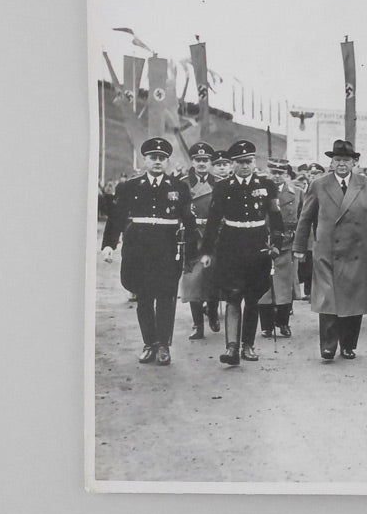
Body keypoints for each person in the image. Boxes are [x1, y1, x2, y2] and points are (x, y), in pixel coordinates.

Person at [101, 137, 198, 365]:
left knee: (165, 298)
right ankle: (149, 343)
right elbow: (116, 218)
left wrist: (192, 252)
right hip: (138, 251)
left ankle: (164, 345)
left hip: (167, 252)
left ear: (167, 162)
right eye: (153, 158)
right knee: (144, 298)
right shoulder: (129, 187)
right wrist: (109, 245)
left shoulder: (179, 187)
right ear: (145, 160)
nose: (158, 162)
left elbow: (189, 221)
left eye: (162, 158)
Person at [292, 139, 367, 361]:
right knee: (328, 299)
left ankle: (348, 345)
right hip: (327, 251)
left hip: (358, 251)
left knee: (354, 300)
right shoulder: (319, 184)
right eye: (337, 159)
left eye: (346, 160)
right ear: (331, 162)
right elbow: (305, 218)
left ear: (354, 162)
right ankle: (328, 345)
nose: (341, 163)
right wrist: (299, 246)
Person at [200, 140, 284, 366]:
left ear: (254, 162)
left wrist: (276, 243)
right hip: (230, 246)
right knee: (232, 296)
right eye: (240, 162)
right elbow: (213, 221)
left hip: (257, 246)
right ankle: (232, 347)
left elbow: (276, 219)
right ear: (232, 164)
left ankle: (248, 345)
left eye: (249, 161)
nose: (245, 166)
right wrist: (207, 251)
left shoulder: (267, 186)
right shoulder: (223, 187)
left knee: (253, 298)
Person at [179, 142, 221, 339]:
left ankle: (212, 311)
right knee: (192, 280)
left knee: (213, 278)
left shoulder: (220, 183)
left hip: (214, 237)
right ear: (192, 161)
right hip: (191, 235)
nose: (202, 163)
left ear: (211, 162)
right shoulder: (182, 183)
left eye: (206, 160)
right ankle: (197, 324)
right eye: (198, 160)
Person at [258, 159, 302, 339]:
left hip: (286, 243)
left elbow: (303, 220)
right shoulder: (259, 191)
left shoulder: (297, 193)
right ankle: (266, 326)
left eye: (280, 173)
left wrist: (301, 246)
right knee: (264, 285)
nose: (276, 177)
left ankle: (283, 323)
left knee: (284, 284)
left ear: (287, 174)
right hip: (263, 242)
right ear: (268, 172)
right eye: (273, 172)